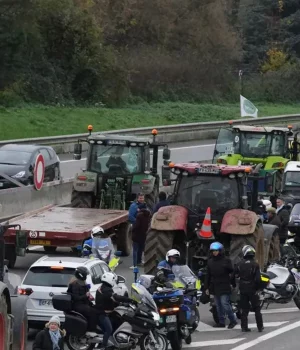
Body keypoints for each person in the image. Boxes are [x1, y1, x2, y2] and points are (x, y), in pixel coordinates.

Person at [95, 272, 137, 350]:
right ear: (109, 280)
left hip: (108, 312)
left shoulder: (104, 287)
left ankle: (118, 342)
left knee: (120, 321)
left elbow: (112, 301)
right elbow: (116, 297)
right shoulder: (106, 290)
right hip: (102, 314)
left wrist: (124, 304)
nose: (114, 282)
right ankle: (103, 346)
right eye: (113, 280)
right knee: (109, 329)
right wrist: (130, 300)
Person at [204, 242, 237, 329]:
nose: (214, 252)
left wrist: (233, 284)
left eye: (216, 250)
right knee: (218, 305)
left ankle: (233, 320)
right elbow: (208, 275)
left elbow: (232, 273)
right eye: (213, 251)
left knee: (225, 304)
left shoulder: (226, 261)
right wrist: (206, 287)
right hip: (215, 286)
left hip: (224, 285)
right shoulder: (210, 262)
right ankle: (221, 322)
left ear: (220, 251)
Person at [234, 245, 264, 332]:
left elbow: (233, 276)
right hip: (252, 289)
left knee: (244, 309)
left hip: (243, 288)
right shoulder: (255, 264)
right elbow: (258, 279)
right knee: (257, 308)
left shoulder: (239, 264)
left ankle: (244, 327)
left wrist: (234, 285)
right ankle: (260, 327)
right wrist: (258, 288)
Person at [67, 266, 99, 337]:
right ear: (81, 275)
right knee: (92, 312)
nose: (86, 277)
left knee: (97, 309)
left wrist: (90, 299)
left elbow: (85, 296)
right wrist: (86, 295)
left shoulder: (82, 283)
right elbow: (76, 297)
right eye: (85, 275)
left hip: (83, 303)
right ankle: (90, 330)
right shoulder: (75, 284)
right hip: (77, 305)